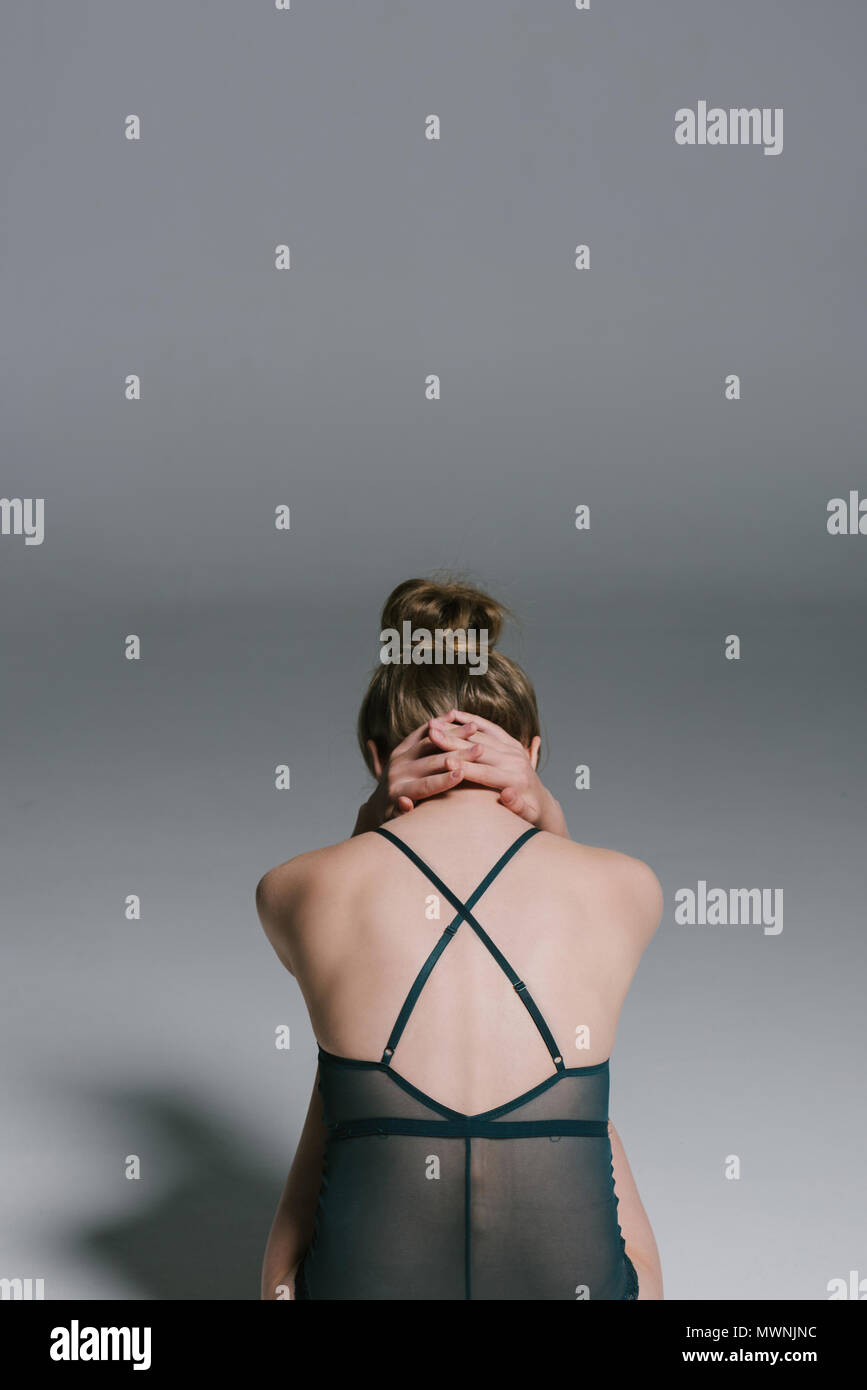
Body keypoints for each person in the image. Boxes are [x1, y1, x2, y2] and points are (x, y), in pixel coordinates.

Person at [256, 577, 664, 1300]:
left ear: (376, 755)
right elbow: (575, 941)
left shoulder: (292, 889)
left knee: (342, 1079)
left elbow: (335, 940)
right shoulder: (629, 888)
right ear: (531, 751)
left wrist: (375, 813)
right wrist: (550, 815)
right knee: (585, 1106)